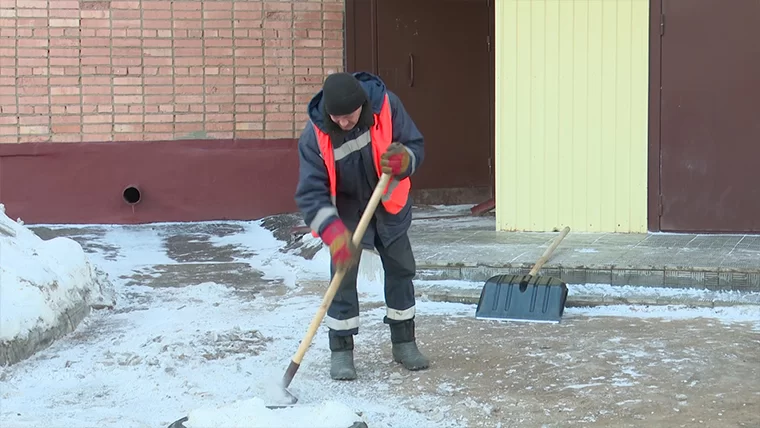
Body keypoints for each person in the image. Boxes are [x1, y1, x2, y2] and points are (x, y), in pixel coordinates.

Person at [294, 71, 430, 380]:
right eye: (337, 117)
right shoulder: (314, 136)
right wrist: (332, 233)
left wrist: (405, 160)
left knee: (401, 270)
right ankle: (341, 351)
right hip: (345, 213)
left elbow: (414, 145)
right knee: (342, 279)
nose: (344, 123)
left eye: (350, 116)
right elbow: (310, 193)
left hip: (388, 205)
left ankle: (404, 343)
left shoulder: (387, 106)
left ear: (362, 105)